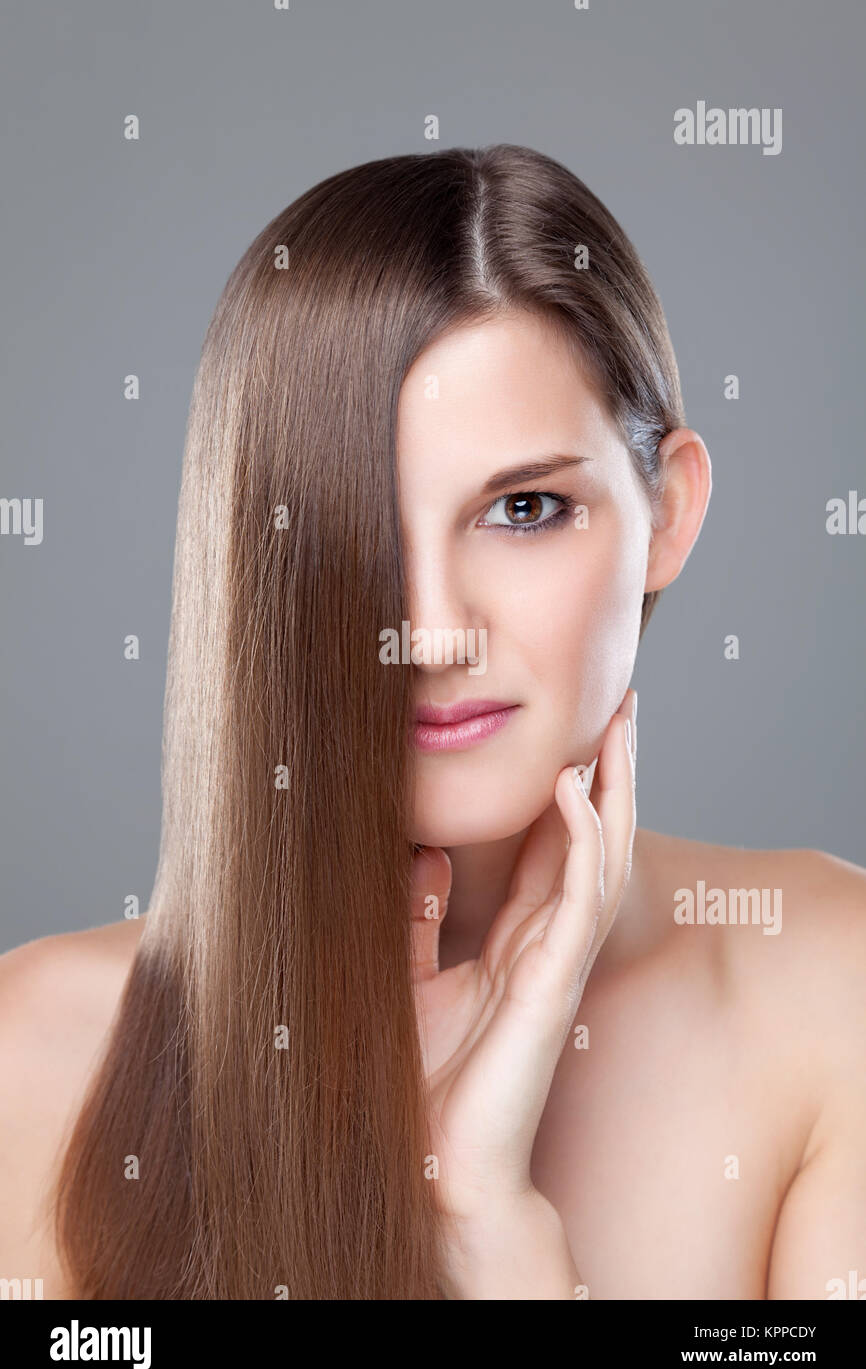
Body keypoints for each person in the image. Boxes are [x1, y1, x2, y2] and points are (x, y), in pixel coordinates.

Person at [1, 145, 864, 1300]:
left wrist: (490, 1228)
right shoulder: (36, 1060)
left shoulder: (828, 995)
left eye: (522, 508)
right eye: (349, 528)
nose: (430, 630)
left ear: (666, 512)